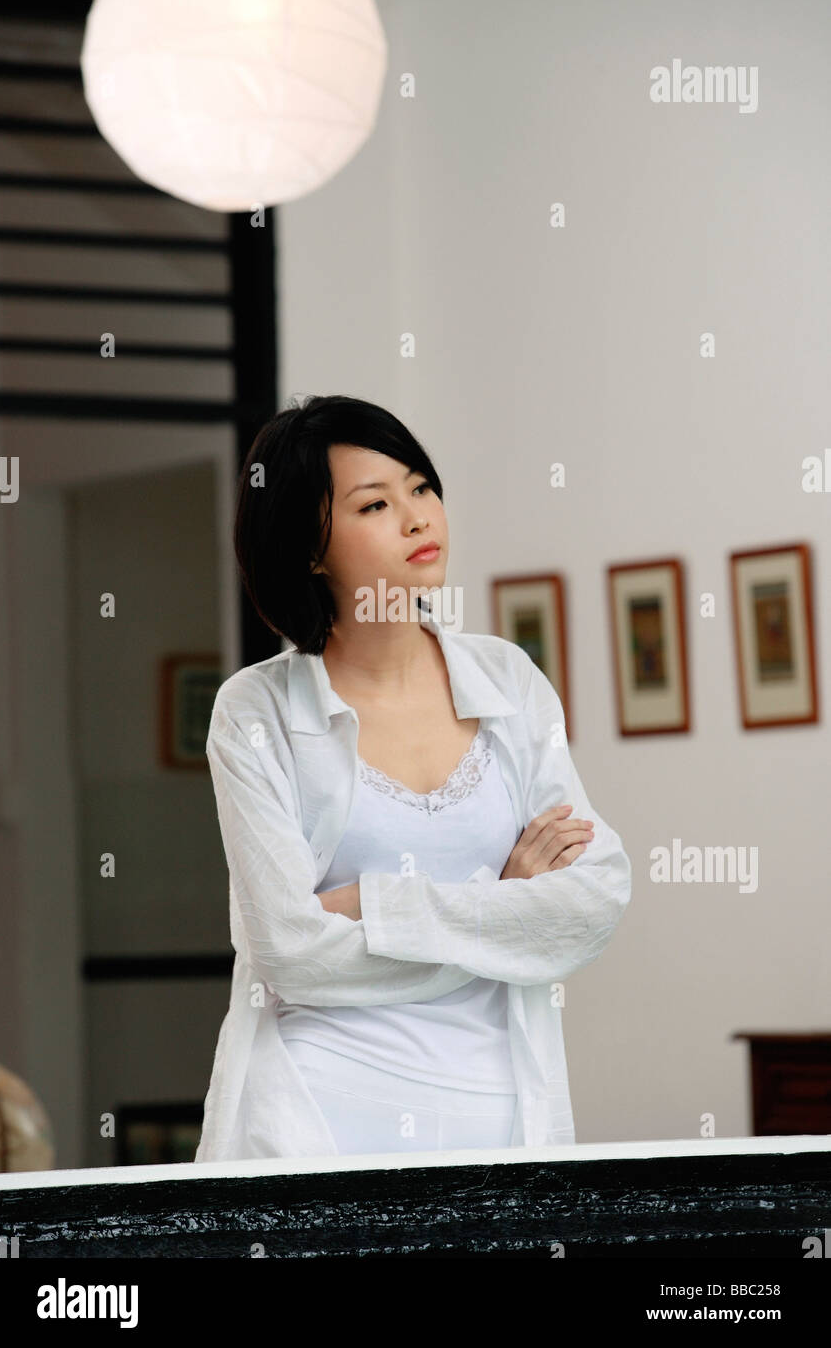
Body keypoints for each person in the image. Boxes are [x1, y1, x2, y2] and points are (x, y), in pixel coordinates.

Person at [194, 394, 632, 1163]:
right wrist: (501, 909)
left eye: (422, 487)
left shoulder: (508, 679)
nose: (418, 517)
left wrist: (369, 904)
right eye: (376, 503)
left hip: (500, 1122)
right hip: (318, 1124)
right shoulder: (253, 710)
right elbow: (289, 953)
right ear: (310, 548)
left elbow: (592, 902)